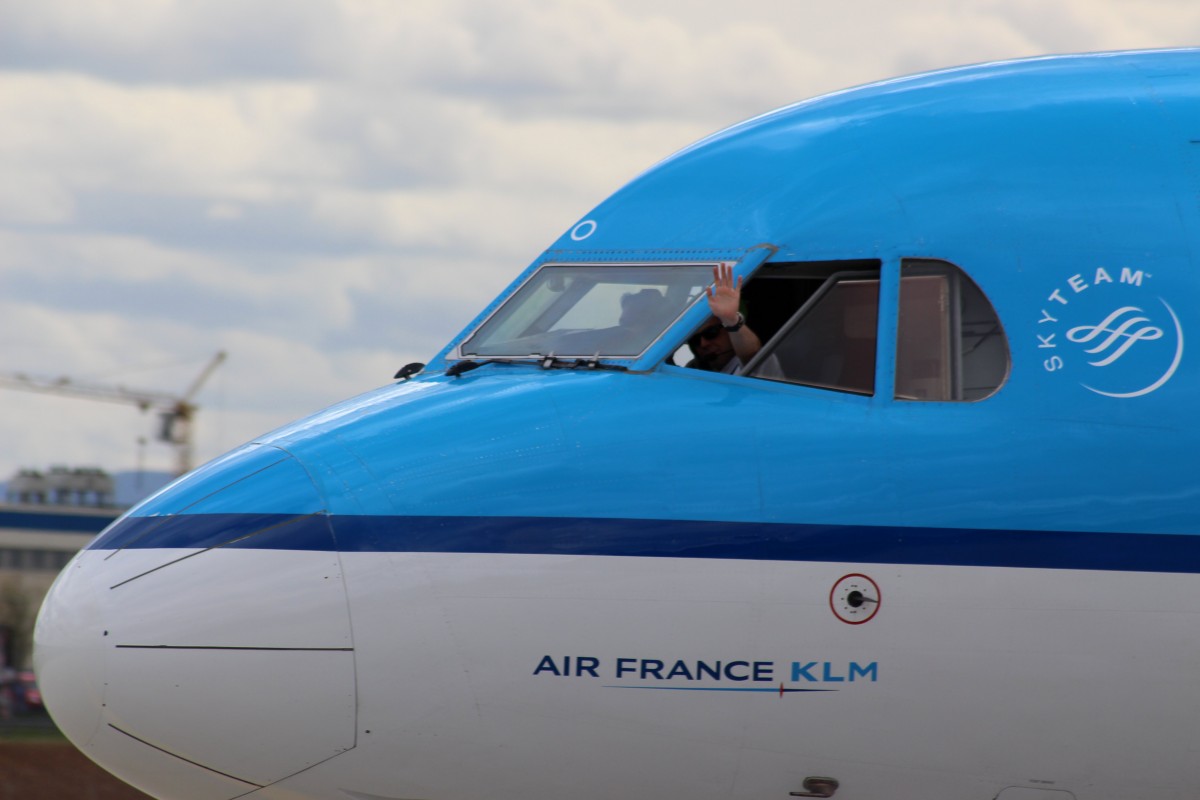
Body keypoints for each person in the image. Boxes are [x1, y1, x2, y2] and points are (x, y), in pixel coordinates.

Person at [687, 263, 778, 376]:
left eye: (711, 333)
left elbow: (752, 354)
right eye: (694, 340)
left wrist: (730, 319)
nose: (703, 344)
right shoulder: (695, 369)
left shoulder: (757, 367)